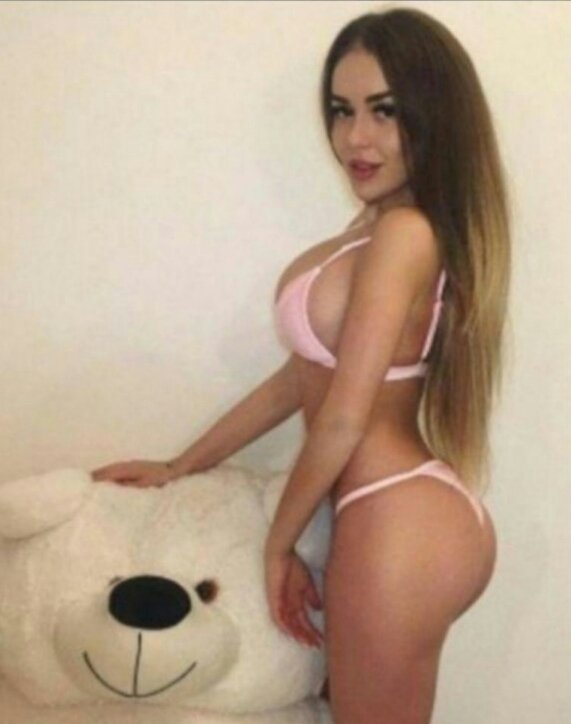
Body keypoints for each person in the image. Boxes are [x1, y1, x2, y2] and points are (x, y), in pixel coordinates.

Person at [93, 6, 511, 722]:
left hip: (400, 518)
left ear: (434, 115)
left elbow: (344, 418)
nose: (355, 137)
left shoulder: (406, 234)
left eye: (384, 111)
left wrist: (277, 546)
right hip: (389, 512)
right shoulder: (373, 228)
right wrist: (180, 464)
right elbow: (299, 381)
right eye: (342, 110)